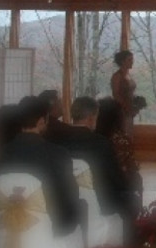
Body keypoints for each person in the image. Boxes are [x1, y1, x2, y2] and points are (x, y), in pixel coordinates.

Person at [0, 96, 82, 238]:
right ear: (42, 121)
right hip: (50, 228)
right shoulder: (58, 154)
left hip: (4, 227)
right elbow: (71, 198)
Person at [52, 96, 133, 228]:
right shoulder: (101, 144)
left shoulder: (58, 142)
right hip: (102, 203)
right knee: (130, 197)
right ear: (91, 118)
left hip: (68, 204)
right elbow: (117, 180)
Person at [96, 97, 142, 214]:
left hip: (95, 185)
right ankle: (136, 221)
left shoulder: (93, 136)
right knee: (137, 179)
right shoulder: (121, 140)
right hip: (114, 188)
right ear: (117, 118)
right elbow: (129, 167)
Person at [111, 50, 138, 136]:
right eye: (129, 60)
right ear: (122, 61)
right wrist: (126, 107)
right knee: (122, 134)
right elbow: (115, 94)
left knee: (129, 133)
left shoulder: (129, 75)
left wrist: (136, 104)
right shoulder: (117, 76)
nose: (132, 62)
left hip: (130, 110)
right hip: (121, 110)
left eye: (132, 59)